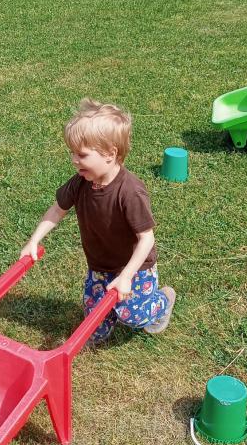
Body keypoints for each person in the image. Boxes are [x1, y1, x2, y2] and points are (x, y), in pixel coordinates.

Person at [20, 99, 176, 343]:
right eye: (72, 153)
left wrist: (126, 276)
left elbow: (146, 239)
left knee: (134, 317)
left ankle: (162, 301)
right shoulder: (80, 183)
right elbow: (57, 210)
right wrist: (34, 240)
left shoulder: (130, 192)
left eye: (82, 154)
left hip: (135, 268)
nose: (74, 160)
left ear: (110, 154)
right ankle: (109, 314)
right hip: (99, 265)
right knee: (94, 329)